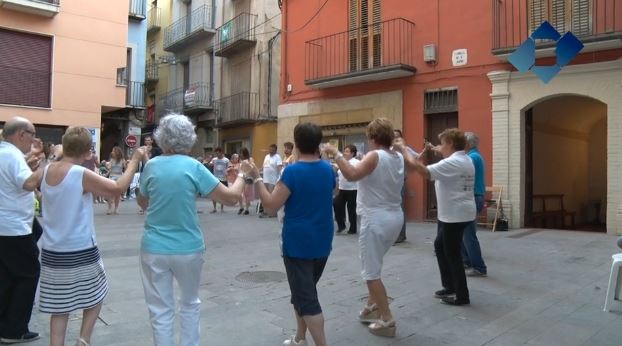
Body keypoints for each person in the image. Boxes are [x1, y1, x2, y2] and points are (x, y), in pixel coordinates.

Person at [137, 114, 248, 346]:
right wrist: (243, 176)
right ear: (188, 139)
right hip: (188, 247)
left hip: (154, 247)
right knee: (189, 304)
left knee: (160, 310)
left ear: (161, 138)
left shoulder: (152, 166)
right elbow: (230, 198)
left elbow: (142, 202)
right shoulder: (194, 167)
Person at [39, 127, 144, 346]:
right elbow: (117, 188)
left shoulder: (46, 170)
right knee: (97, 294)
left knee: (60, 307)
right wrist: (134, 160)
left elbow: (31, 185)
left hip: (51, 250)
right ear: (88, 152)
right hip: (81, 249)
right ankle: (84, 339)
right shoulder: (80, 174)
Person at [246, 123, 334, 346]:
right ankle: (300, 338)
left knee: (307, 298)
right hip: (322, 240)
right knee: (304, 291)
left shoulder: (292, 171)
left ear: (296, 143)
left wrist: (257, 177)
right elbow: (333, 192)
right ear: (318, 143)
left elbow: (270, 206)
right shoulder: (328, 169)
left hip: (297, 244)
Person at [323, 118, 404, 337]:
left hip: (375, 219)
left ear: (373, 137)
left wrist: (336, 154)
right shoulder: (397, 157)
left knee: (370, 272)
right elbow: (358, 168)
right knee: (375, 263)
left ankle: (387, 319)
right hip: (395, 217)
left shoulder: (375, 155)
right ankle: (372, 306)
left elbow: (351, 174)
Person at [396, 128, 475, 306]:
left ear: (451, 145)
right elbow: (442, 150)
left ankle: (461, 295)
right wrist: (434, 148)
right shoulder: (464, 158)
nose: (441, 147)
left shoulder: (452, 163)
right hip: (458, 212)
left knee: (452, 254)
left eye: (443, 143)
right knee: (440, 246)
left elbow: (421, 170)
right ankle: (449, 286)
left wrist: (404, 150)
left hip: (454, 215)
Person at [0, 117, 45, 344]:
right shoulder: (13, 155)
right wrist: (46, 164)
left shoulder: (3, 153)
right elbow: (28, 184)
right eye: (32, 134)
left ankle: (5, 323)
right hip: (14, 227)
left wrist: (30, 167)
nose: (34, 139)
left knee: (7, 276)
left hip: (5, 227)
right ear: (21, 135)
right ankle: (13, 329)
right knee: (28, 273)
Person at [462, 132, 488, 277]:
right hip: (475, 196)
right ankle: (466, 261)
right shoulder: (475, 155)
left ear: (466, 144)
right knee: (463, 233)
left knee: (469, 234)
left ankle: (478, 267)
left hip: (473, 196)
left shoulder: (471, 157)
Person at [392, 129, 419, 244]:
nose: (395, 139)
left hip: (400, 182)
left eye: (397, 137)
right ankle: (393, 234)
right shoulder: (388, 150)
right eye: (393, 137)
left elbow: (417, 157)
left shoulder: (405, 149)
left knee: (399, 209)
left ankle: (401, 235)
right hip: (389, 183)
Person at [333, 144, 360, 234]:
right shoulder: (342, 162)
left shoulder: (356, 162)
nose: (345, 153)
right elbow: (337, 174)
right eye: (344, 151)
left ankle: (353, 228)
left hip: (353, 189)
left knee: (351, 209)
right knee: (336, 204)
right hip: (342, 189)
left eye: (347, 151)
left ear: (352, 153)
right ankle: (341, 225)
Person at [258, 143, 282, 217]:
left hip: (273, 180)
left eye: (272, 149)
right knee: (265, 196)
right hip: (265, 179)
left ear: (275, 150)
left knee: (271, 197)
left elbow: (279, 167)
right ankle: (265, 211)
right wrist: (258, 170)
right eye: (270, 149)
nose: (270, 150)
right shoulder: (266, 156)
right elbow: (264, 166)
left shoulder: (277, 157)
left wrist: (280, 176)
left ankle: (273, 212)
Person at [209, 147, 230, 213]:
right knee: (214, 193)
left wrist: (227, 171)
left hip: (223, 178)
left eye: (218, 153)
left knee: (222, 194)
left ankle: (222, 208)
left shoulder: (226, 160)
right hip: (215, 178)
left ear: (221, 152)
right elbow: (210, 163)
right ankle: (214, 208)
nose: (217, 154)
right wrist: (210, 163)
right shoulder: (214, 159)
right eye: (216, 153)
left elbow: (229, 166)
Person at [106, 146, 126, 215]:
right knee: (110, 193)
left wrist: (127, 164)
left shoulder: (122, 160)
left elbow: (125, 168)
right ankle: (109, 208)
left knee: (117, 194)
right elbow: (109, 168)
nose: (112, 152)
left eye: (113, 151)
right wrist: (107, 165)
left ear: (117, 152)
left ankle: (116, 208)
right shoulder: (112, 160)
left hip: (119, 177)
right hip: (112, 176)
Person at [239, 148, 255, 215]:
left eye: (241, 153)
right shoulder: (241, 160)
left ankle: (247, 209)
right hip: (242, 178)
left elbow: (253, 168)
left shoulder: (250, 159)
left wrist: (247, 173)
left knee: (246, 193)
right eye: (240, 153)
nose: (240, 154)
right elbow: (240, 169)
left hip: (249, 178)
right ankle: (241, 207)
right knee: (240, 193)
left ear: (245, 153)